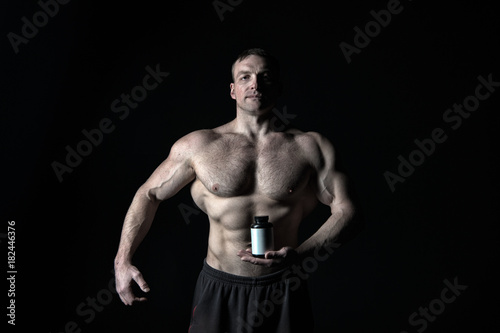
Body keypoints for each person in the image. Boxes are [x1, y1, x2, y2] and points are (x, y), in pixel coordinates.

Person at [114, 48, 362, 332]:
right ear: (233, 90)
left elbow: (349, 211)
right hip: (219, 286)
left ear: (278, 87)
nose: (255, 84)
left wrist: (301, 254)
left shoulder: (310, 147)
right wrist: (122, 260)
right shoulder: (199, 146)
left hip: (283, 285)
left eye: (264, 77)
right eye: (245, 77)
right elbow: (148, 194)